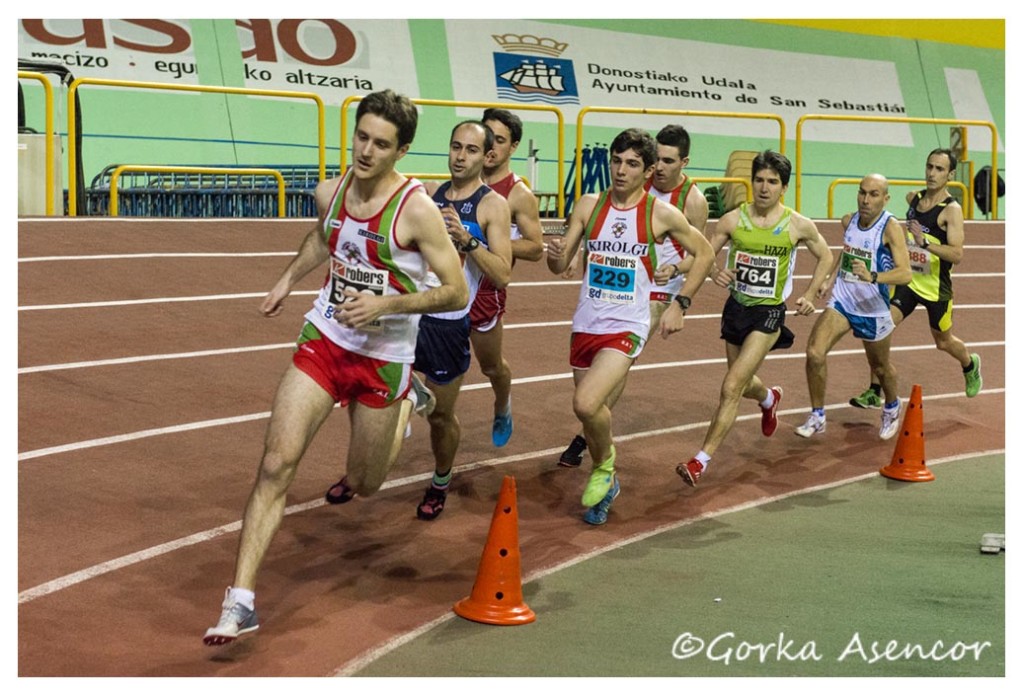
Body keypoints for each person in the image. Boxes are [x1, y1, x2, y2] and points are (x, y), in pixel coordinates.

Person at [203, 90, 469, 645]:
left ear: (402, 151)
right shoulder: (334, 189)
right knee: (277, 463)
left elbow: (453, 290)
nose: (366, 152)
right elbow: (323, 238)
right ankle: (241, 600)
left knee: (366, 483)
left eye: (381, 144)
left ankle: (405, 403)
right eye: (362, 137)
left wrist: (387, 304)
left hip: (385, 355)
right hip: (325, 338)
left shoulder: (416, 210)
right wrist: (286, 279)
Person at [546, 127, 714, 524]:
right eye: (616, 161)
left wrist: (681, 303)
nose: (621, 171)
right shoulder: (589, 205)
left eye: (632, 164)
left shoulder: (661, 214)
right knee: (595, 412)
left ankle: (603, 468)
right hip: (587, 320)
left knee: (586, 403)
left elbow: (704, 254)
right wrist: (555, 255)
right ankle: (610, 481)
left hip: (628, 323)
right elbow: (558, 265)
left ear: (648, 169)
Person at [676, 150, 833, 486]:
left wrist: (810, 293)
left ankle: (700, 460)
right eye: (759, 180)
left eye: (772, 182)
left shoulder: (796, 224)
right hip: (736, 309)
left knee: (731, 386)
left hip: (768, 313)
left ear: (783, 187)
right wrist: (714, 271)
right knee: (743, 383)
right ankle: (769, 398)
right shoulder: (733, 220)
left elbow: (826, 255)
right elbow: (704, 255)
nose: (764, 188)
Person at [410, 120, 513, 521]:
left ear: (486, 156)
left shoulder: (493, 205)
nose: (460, 156)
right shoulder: (430, 197)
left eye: (471, 150)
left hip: (449, 323)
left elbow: (502, 274)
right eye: (456, 146)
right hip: (415, 310)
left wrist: (467, 240)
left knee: (439, 415)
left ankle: (440, 479)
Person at [847, 148, 982, 408]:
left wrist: (924, 243)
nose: (932, 173)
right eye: (929, 166)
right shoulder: (913, 199)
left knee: (943, 342)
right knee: (879, 329)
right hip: (908, 283)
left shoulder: (951, 211)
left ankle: (969, 364)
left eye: (939, 169)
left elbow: (957, 254)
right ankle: (874, 390)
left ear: (951, 174)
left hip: (936, 289)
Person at [795, 173, 912, 440]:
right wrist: (831, 278)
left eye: (873, 194)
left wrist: (873, 277)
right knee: (814, 352)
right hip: (843, 300)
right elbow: (848, 250)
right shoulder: (849, 220)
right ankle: (818, 415)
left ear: (885, 198)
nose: (865, 200)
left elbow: (905, 273)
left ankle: (892, 406)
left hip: (873, 308)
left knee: (880, 367)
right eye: (862, 192)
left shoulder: (890, 227)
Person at [470, 108, 544, 448]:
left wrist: (494, 243)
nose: (490, 146)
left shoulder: (517, 194)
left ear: (512, 146)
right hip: (448, 281)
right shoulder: (461, 178)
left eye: (499, 140)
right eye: (487, 136)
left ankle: (503, 404)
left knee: (491, 367)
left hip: (486, 289)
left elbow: (535, 247)